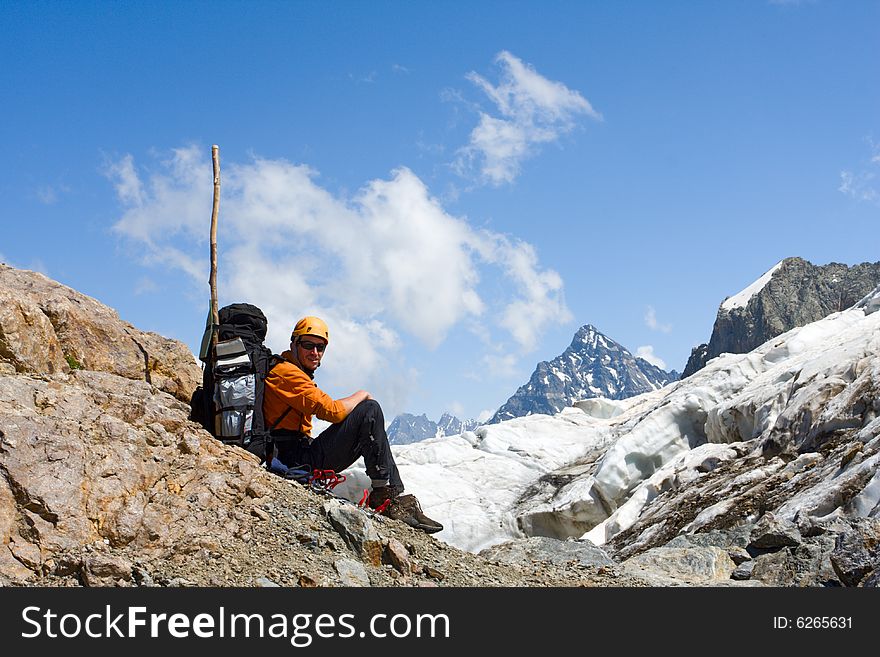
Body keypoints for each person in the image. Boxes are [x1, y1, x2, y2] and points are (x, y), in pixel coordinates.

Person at [263, 316, 443, 534]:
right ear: (294, 344)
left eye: (320, 347)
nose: (315, 352)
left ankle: (390, 495)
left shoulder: (294, 372)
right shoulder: (286, 373)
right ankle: (385, 498)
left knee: (369, 419)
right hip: (292, 459)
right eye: (308, 345)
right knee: (369, 410)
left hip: (296, 454)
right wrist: (362, 394)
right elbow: (332, 411)